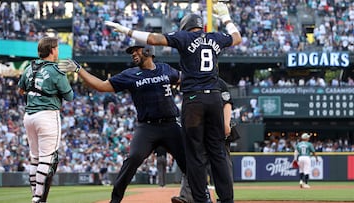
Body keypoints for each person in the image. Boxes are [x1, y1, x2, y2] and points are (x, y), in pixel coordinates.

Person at [105, 2, 241, 202]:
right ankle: (227, 200)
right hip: (214, 98)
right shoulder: (214, 37)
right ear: (201, 26)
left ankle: (201, 200)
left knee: (194, 153)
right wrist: (226, 18)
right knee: (218, 151)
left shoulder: (184, 37)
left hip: (194, 100)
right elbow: (237, 39)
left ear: (185, 27)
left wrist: (127, 31)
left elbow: (152, 39)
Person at [58, 43, 187, 203]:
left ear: (149, 51)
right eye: (131, 52)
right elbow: (102, 86)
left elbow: (185, 78)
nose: (133, 54)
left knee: (189, 162)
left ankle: (200, 197)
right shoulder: (130, 74)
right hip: (147, 127)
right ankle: (115, 200)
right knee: (132, 158)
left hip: (171, 125)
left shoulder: (165, 69)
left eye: (136, 50)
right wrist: (79, 70)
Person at [17, 36, 74, 203]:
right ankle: (37, 198)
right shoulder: (55, 70)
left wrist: (36, 93)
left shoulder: (29, 67)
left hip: (29, 117)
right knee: (46, 158)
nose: (58, 51)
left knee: (34, 158)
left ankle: (35, 194)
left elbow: (21, 91)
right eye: (56, 48)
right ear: (52, 50)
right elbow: (70, 96)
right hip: (47, 115)